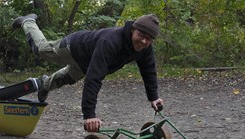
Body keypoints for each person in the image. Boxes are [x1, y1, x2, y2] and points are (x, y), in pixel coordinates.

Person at [12, 13, 163, 132]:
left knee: (65, 79)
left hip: (88, 61)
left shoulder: (145, 49)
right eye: (141, 35)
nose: (143, 41)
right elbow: (94, 78)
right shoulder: (111, 42)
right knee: (42, 50)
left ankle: (44, 85)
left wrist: (153, 97)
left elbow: (148, 70)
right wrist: (89, 115)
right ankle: (28, 21)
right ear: (132, 30)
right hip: (75, 47)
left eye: (149, 39)